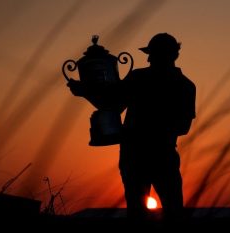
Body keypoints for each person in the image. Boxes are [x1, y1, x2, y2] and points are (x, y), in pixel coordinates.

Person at [68, 33, 196, 219]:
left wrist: (85, 91)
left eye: (152, 54)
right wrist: (86, 91)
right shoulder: (185, 86)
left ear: (166, 56)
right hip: (163, 156)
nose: (149, 58)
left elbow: (112, 105)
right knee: (172, 212)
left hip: (137, 156)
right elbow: (183, 127)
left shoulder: (139, 78)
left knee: (141, 214)